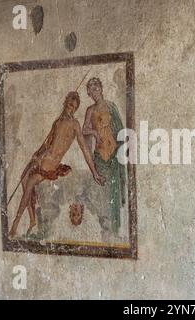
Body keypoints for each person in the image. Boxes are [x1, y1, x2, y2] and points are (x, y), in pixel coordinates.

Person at [9, 91, 105, 238]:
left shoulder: (74, 124)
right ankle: (32, 219)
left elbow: (85, 150)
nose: (70, 108)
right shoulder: (57, 122)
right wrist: (37, 153)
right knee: (23, 179)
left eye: (74, 107)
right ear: (65, 104)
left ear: (75, 109)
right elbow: (46, 143)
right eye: (69, 105)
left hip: (49, 164)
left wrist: (94, 173)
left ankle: (15, 224)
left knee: (28, 185)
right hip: (42, 158)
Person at [82, 78, 126, 240]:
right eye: (90, 91)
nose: (93, 93)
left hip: (114, 155)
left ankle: (116, 230)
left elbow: (121, 131)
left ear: (101, 88)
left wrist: (121, 152)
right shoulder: (90, 110)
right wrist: (94, 133)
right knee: (102, 196)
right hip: (100, 157)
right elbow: (84, 129)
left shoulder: (111, 106)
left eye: (95, 89)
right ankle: (105, 232)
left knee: (114, 193)